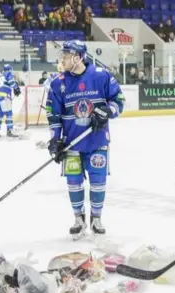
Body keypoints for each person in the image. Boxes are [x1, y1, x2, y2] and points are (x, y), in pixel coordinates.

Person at [45, 40, 125, 240]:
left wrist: (108, 111)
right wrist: (55, 140)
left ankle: (96, 218)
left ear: (78, 57)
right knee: (74, 183)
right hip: (71, 144)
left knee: (98, 182)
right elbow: (53, 115)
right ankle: (78, 219)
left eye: (65, 55)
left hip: (97, 141)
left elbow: (119, 101)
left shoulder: (101, 75)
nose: (62, 59)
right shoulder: (58, 83)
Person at [0, 64, 21, 138]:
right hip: (3, 97)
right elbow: (11, 82)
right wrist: (16, 88)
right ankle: (9, 131)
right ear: (10, 70)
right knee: (9, 114)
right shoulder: (8, 73)